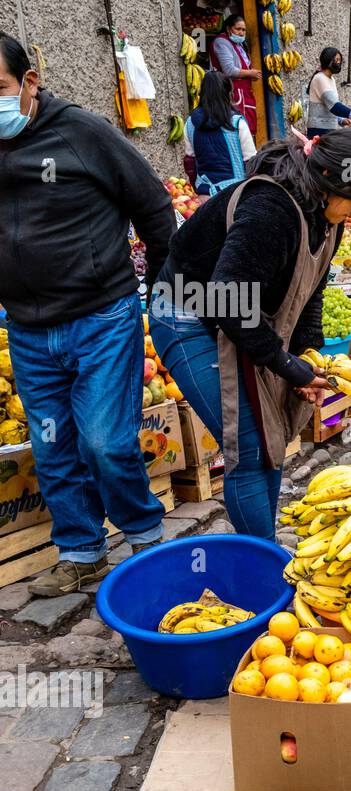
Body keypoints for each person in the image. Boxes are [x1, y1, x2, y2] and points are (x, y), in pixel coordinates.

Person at [150, 129, 351, 541]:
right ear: (333, 179)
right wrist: (284, 365)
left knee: (271, 440)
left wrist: (306, 356)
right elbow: (228, 299)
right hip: (189, 315)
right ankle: (262, 565)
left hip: (243, 320)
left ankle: (265, 548)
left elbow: (311, 289)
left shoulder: (325, 214)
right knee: (247, 447)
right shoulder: (271, 210)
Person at [0, 34, 175, 595]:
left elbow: (152, 201)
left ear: (29, 81)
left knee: (104, 441)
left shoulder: (82, 132)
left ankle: (145, 536)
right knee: (51, 446)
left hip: (101, 317)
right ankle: (81, 551)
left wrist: (165, 285)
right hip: (26, 329)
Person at [184, 70, 257, 196]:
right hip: (235, 195)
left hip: (205, 195)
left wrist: (198, 190)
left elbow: (190, 163)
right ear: (228, 93)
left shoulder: (190, 124)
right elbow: (251, 163)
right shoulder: (236, 123)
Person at [209, 13, 259, 130]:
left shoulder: (240, 45)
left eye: (244, 30)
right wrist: (250, 73)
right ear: (228, 29)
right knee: (238, 128)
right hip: (232, 93)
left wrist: (250, 75)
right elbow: (229, 70)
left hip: (244, 93)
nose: (241, 33)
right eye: (238, 29)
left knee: (247, 129)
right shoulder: (222, 42)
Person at [307, 47, 351, 138]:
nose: (339, 63)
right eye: (337, 60)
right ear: (328, 60)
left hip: (328, 129)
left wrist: (340, 120)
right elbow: (334, 106)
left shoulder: (331, 79)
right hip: (318, 130)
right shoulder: (320, 78)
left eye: (340, 60)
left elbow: (328, 107)